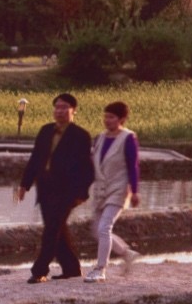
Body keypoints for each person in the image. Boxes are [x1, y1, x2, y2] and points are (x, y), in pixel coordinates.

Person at [16, 92, 96, 283]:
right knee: (56, 229)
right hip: (45, 188)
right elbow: (35, 158)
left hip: (67, 191)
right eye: (57, 107)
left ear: (73, 110)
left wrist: (82, 193)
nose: (60, 111)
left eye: (64, 107)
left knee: (51, 230)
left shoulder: (81, 135)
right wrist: (25, 184)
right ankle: (71, 269)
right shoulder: (45, 131)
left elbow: (87, 167)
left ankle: (39, 271)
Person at [86, 99, 142, 281]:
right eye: (106, 117)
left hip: (118, 189)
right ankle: (127, 253)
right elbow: (93, 164)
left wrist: (135, 191)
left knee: (104, 227)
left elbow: (133, 166)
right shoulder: (100, 138)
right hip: (101, 189)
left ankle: (100, 269)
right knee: (97, 230)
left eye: (111, 117)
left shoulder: (128, 138)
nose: (107, 120)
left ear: (122, 119)